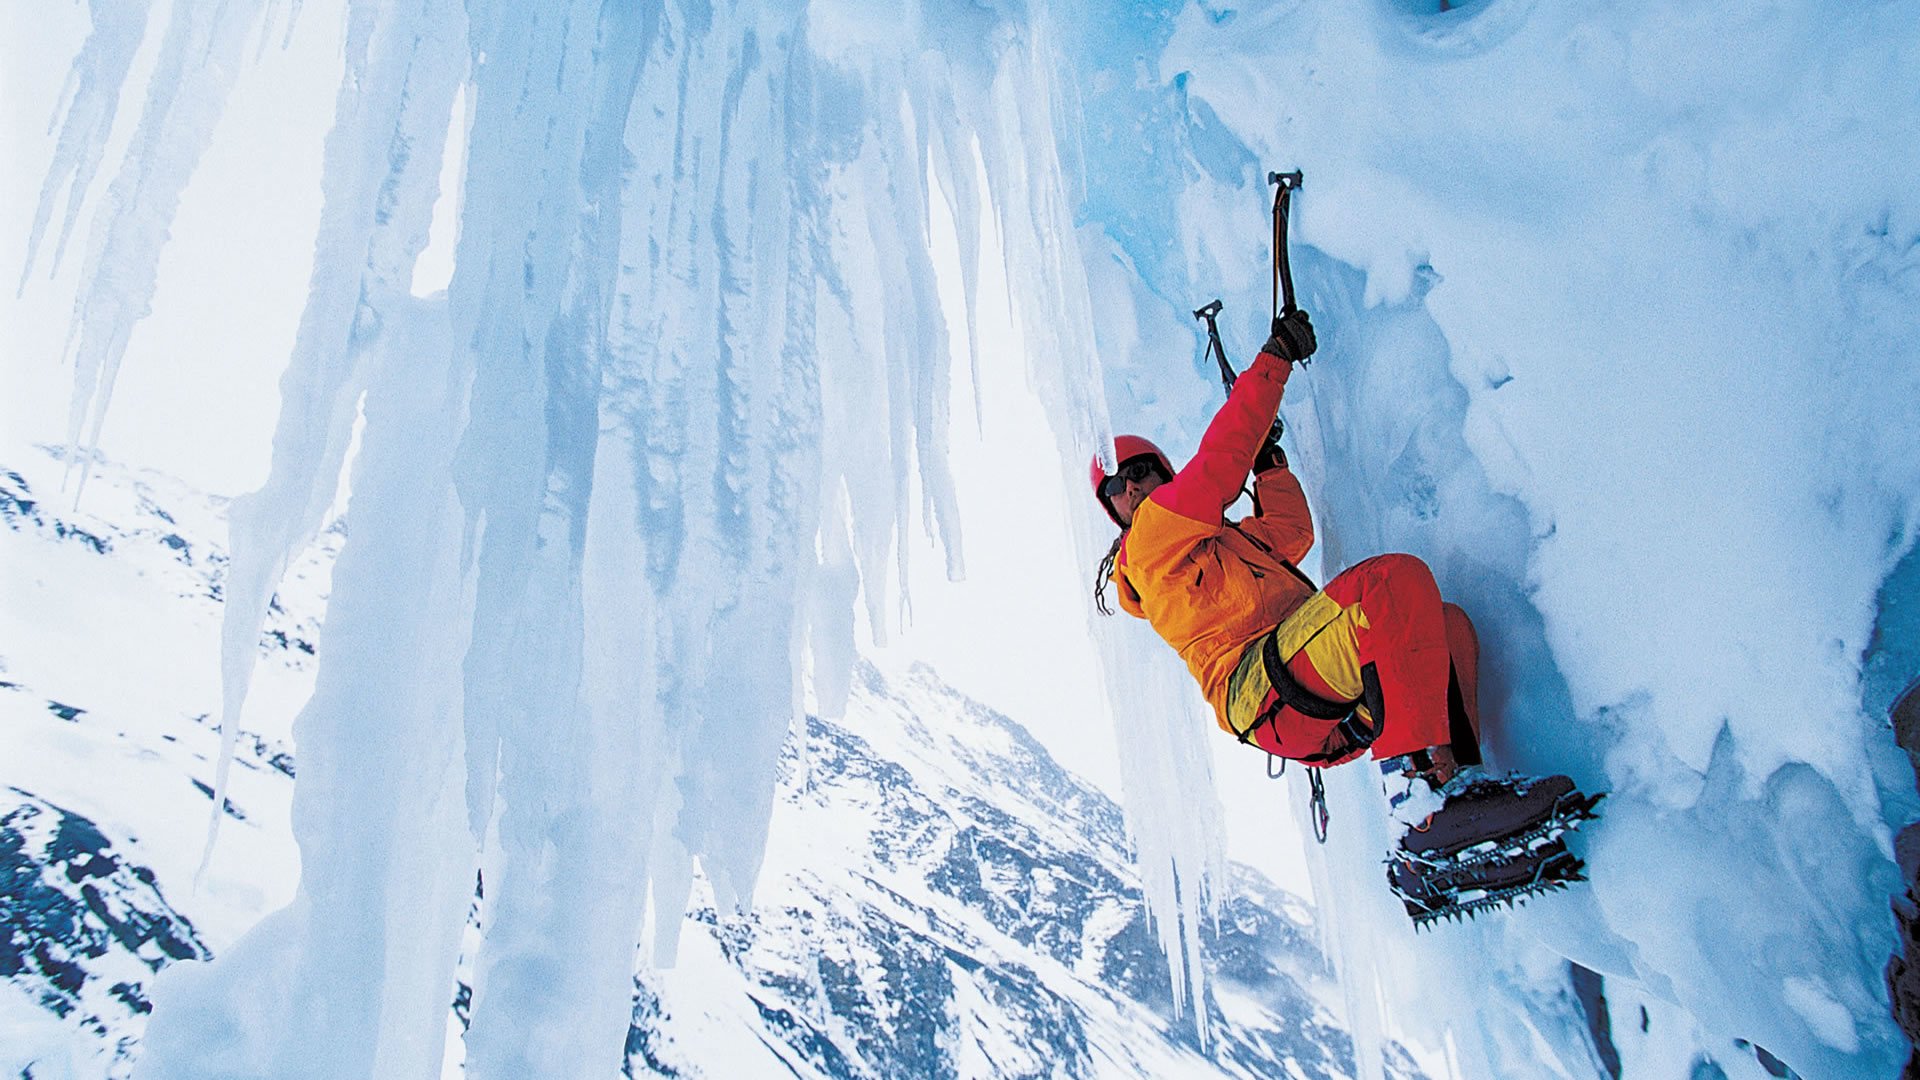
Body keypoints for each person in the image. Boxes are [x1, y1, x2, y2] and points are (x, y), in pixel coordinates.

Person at [1092, 310, 1597, 922]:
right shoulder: (1147, 544)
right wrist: (1273, 362)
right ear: (1115, 513)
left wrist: (1270, 463)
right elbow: (1217, 468)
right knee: (1386, 584)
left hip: (1305, 701)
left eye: (1146, 471)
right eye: (1119, 484)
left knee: (1447, 625)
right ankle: (1417, 810)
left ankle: (1451, 793)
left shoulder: (1224, 547)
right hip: (1265, 690)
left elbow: (1291, 533)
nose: (1135, 485)